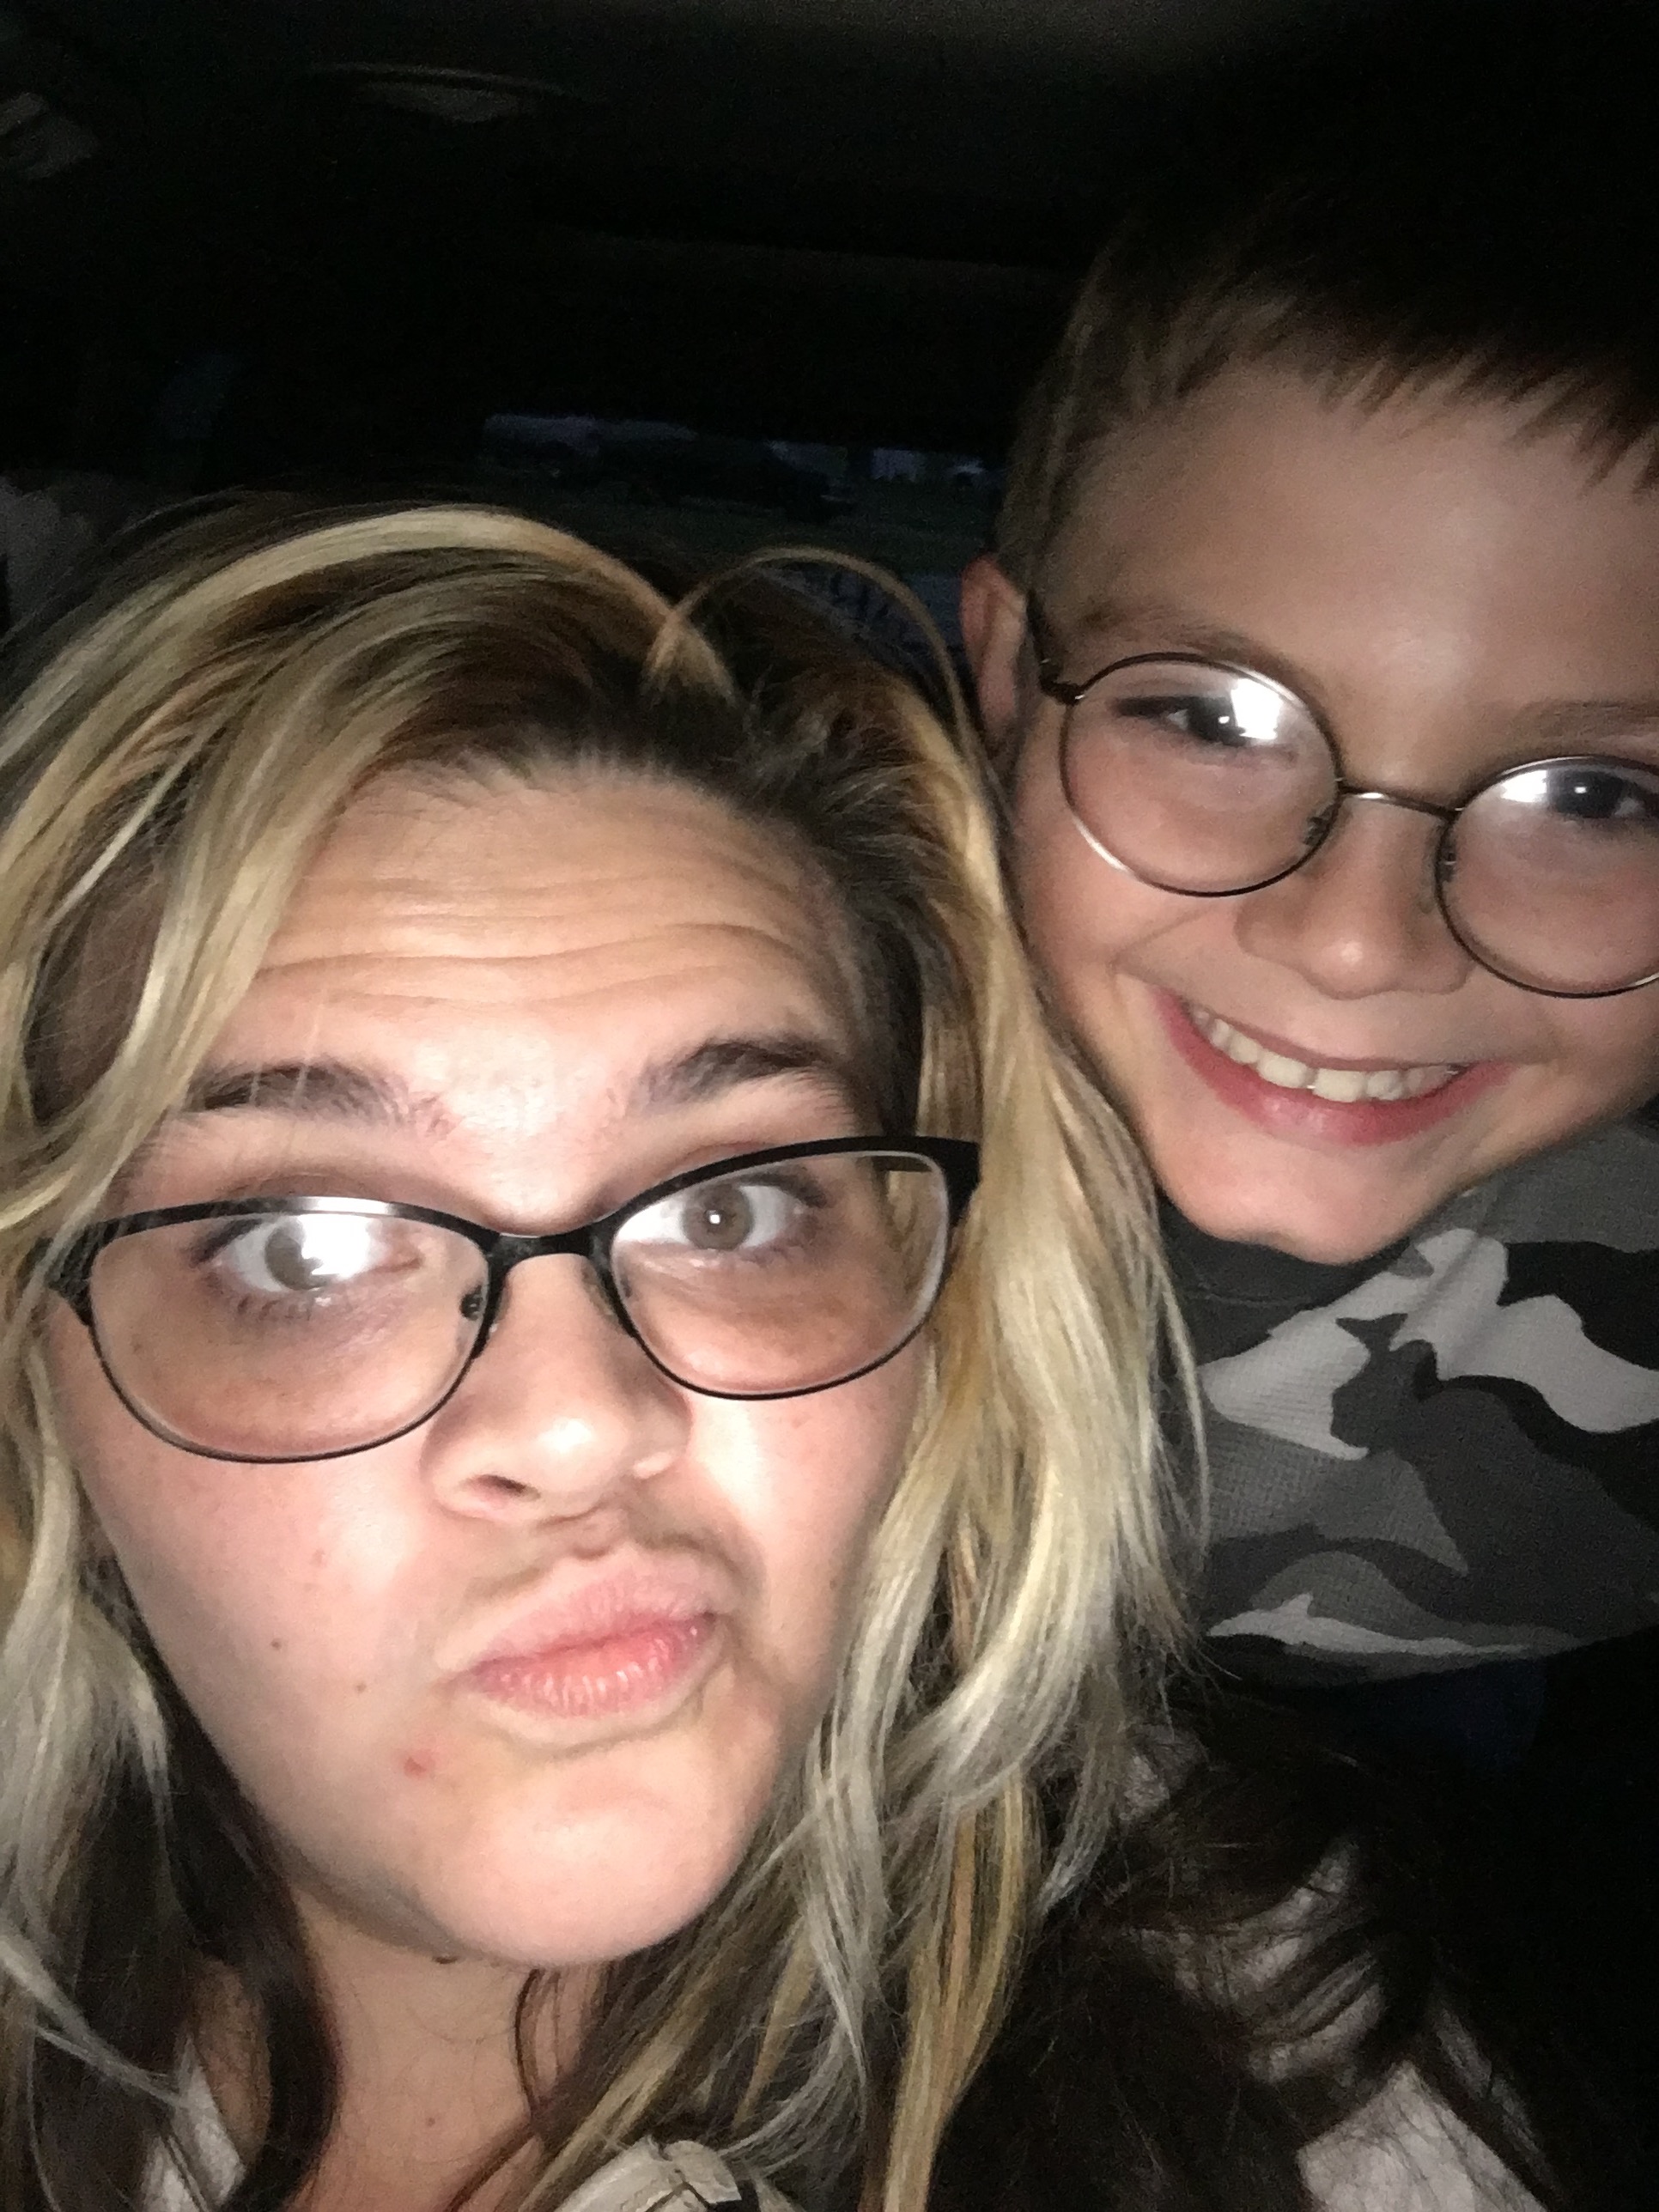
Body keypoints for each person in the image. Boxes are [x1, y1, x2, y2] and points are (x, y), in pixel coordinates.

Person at [0, 501, 1182, 2211]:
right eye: (302, 1252)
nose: (576, 1427)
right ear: (39, 1378)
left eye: (732, 1208)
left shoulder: (1276, 2060)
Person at [956, 18, 1659, 1746]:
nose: (1353, 939)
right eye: (1211, 719)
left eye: (1594, 797)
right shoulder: (703, 1146)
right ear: (1006, 679)